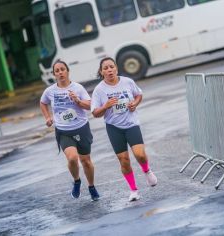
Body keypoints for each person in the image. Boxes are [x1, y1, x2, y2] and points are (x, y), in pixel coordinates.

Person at [91, 57, 157, 202]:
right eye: (105, 68)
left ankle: (146, 170)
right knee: (124, 160)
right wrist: (105, 106)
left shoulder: (127, 81)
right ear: (101, 72)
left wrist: (135, 103)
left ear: (116, 68)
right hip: (114, 127)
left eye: (111, 67)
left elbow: (138, 94)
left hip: (131, 123)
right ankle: (134, 190)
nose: (109, 70)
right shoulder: (99, 90)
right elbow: (95, 113)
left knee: (139, 154)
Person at [40, 60, 100, 201]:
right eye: (57, 71)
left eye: (62, 69)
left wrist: (78, 101)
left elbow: (90, 105)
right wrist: (48, 117)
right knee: (72, 158)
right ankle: (77, 181)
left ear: (67, 71)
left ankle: (91, 186)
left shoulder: (77, 88)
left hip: (81, 128)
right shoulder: (50, 91)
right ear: (54, 74)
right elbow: (43, 102)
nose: (60, 72)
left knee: (86, 161)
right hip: (63, 131)